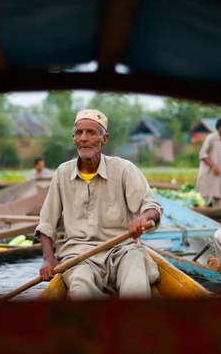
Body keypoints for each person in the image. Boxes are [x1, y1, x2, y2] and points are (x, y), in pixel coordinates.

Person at [36, 109, 163, 300]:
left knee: (136, 280)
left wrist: (143, 218)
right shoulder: (63, 173)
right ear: (74, 139)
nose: (84, 138)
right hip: (79, 255)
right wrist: (48, 258)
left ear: (104, 140)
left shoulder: (123, 169)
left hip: (123, 250)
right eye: (79, 133)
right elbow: (47, 224)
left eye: (91, 133)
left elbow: (152, 208)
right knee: (80, 288)